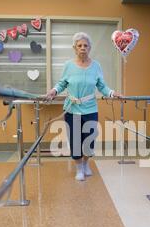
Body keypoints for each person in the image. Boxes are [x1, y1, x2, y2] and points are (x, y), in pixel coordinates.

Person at [46, 32, 120, 181]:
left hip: (90, 109)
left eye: (85, 45)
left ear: (90, 48)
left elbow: (102, 86)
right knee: (75, 141)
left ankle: (86, 163)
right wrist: (53, 91)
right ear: (74, 48)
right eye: (79, 45)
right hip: (72, 109)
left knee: (89, 141)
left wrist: (112, 93)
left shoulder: (96, 66)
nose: (82, 48)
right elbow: (62, 84)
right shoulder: (68, 65)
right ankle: (79, 168)